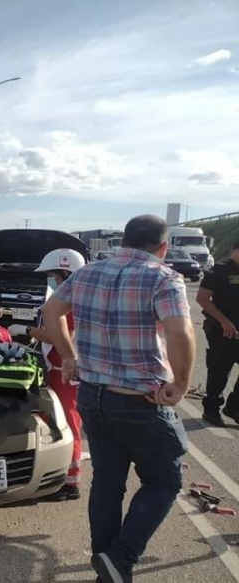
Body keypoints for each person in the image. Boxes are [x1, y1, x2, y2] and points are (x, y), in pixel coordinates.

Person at [42, 215, 195, 583]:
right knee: (164, 481)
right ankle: (121, 557)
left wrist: (67, 356)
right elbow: (181, 335)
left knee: (107, 483)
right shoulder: (163, 278)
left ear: (124, 240)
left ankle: (106, 562)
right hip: (138, 401)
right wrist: (181, 384)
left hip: (92, 397)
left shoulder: (88, 273)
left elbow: (51, 312)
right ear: (162, 247)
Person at [10, 248, 87, 501]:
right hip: (61, 369)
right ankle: (63, 474)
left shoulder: (74, 301)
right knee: (62, 420)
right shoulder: (75, 297)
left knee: (69, 423)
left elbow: (60, 336)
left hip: (68, 372)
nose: (53, 281)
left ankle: (71, 482)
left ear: (67, 273)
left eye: (55, 276)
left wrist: (26, 330)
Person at [197, 239, 239, 426]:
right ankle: (211, 410)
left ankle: (234, 407)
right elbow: (202, 298)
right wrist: (224, 321)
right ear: (234, 250)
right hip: (222, 329)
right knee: (219, 371)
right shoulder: (219, 271)